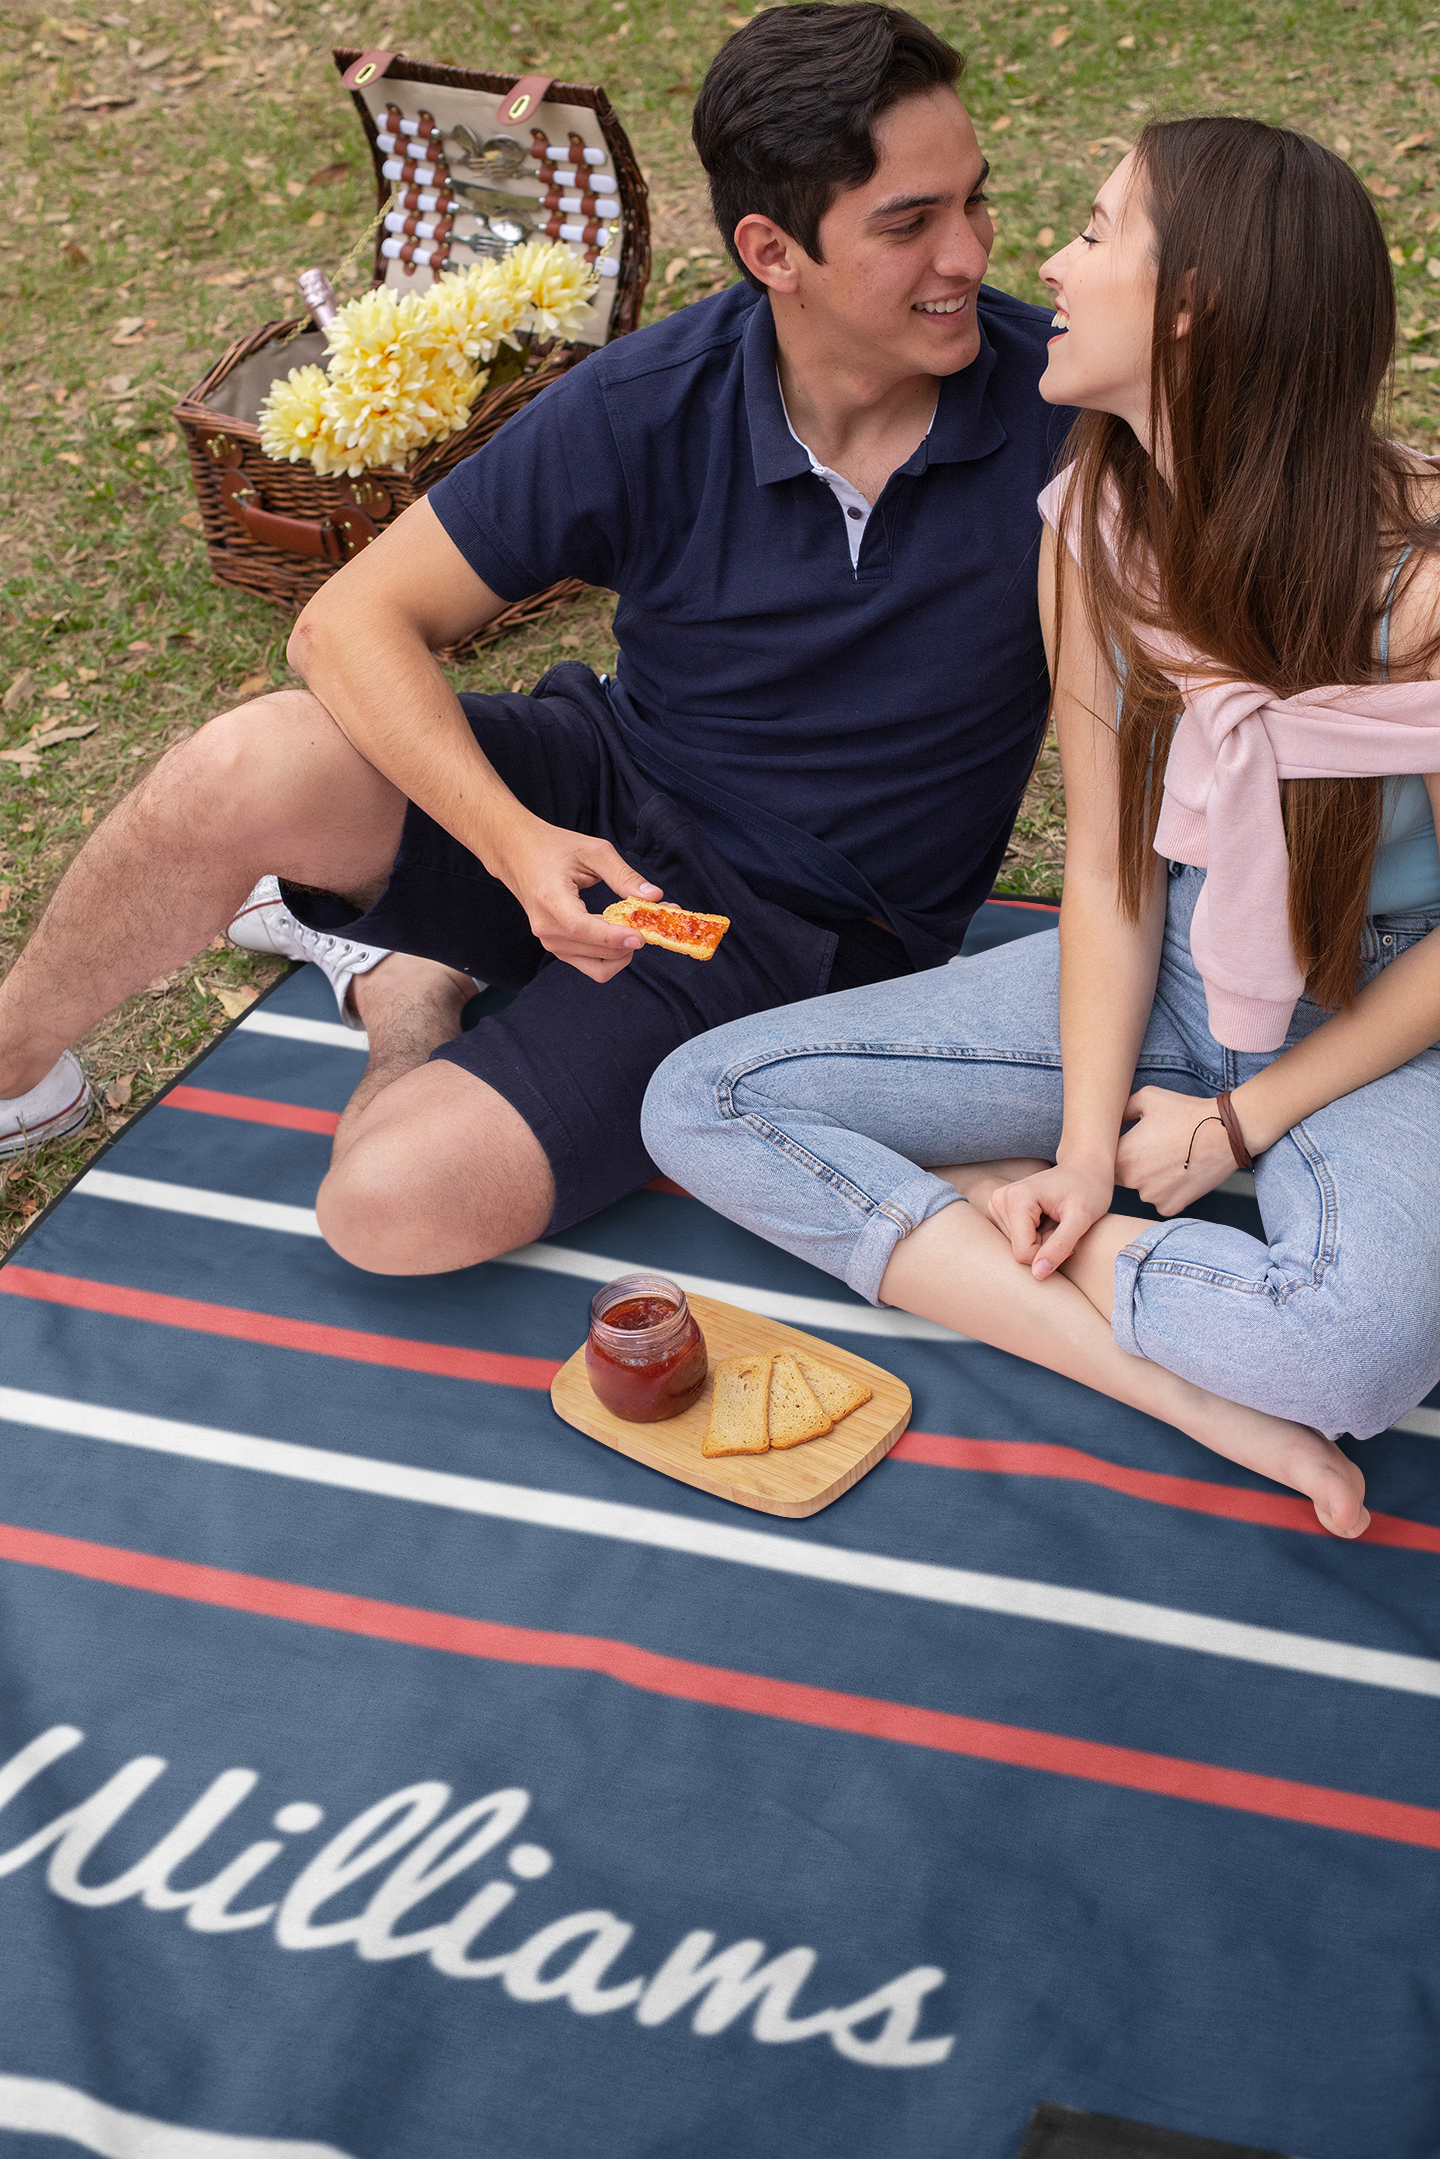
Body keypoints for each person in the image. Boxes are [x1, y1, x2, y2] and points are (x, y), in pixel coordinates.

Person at [0, 2, 1070, 1271]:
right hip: (602, 798)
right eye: (910, 224)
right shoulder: (655, 400)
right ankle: (16, 1070)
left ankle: (407, 991)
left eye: (973, 203)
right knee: (244, 765)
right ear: (773, 250)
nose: (970, 254)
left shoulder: (1076, 412)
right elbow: (349, 623)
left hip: (785, 933)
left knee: (385, 1209)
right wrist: (514, 846)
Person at [643, 115, 1440, 1540]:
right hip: (1195, 956)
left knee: (1349, 1355)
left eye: (1091, 231)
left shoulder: (1422, 581)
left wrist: (1239, 1122)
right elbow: (1109, 869)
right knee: (703, 1099)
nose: (1047, 269)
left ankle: (1027, 1242)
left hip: (1398, 1001)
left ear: (1190, 305)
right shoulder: (1092, 526)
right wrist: (1080, 1160)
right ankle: (1170, 1378)